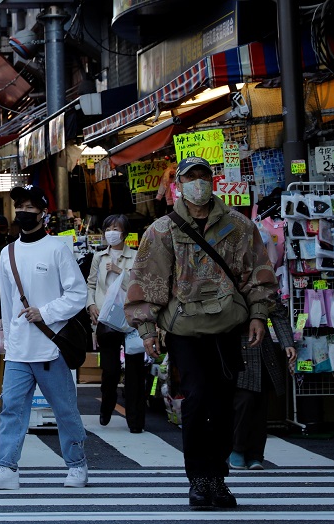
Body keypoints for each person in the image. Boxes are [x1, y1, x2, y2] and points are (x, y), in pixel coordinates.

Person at [125, 156, 277, 510]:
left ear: (213, 181)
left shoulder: (240, 226)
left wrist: (258, 315)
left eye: (203, 176)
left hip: (227, 327)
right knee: (196, 399)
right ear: (180, 183)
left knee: (224, 402)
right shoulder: (162, 231)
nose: (198, 183)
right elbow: (146, 282)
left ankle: (218, 478)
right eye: (190, 177)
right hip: (183, 330)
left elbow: (258, 273)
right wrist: (148, 329)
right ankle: (199, 479)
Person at [0, 184, 89, 491]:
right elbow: (7, 302)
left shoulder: (57, 248)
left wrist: (46, 312)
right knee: (11, 409)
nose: (23, 212)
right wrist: (10, 342)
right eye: (19, 206)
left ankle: (77, 464)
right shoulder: (7, 253)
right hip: (18, 350)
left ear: (43, 213)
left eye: (29, 207)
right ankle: (6, 467)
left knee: (64, 409)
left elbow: (78, 293)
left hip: (51, 348)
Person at [85, 214, 145, 432]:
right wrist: (91, 305)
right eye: (108, 228)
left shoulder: (137, 256)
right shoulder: (98, 257)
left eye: (115, 228)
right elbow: (91, 285)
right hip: (106, 318)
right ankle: (107, 405)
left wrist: (120, 272)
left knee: (135, 371)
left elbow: (141, 286)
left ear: (125, 233)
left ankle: (136, 420)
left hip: (131, 319)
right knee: (109, 370)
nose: (111, 232)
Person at [230, 300, 297, 470]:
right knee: (243, 400)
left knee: (260, 403)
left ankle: (255, 454)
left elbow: (277, 311)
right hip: (235, 346)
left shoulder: (262, 281)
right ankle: (237, 449)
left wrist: (287, 343)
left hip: (261, 349)